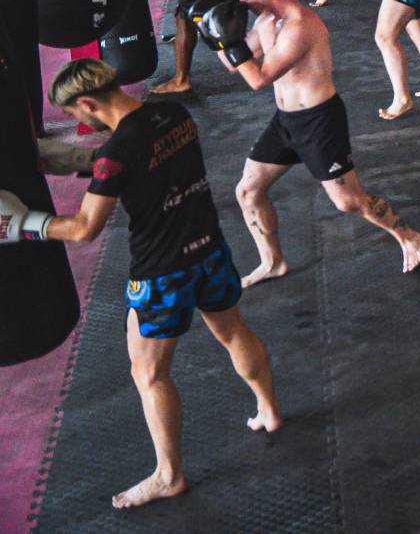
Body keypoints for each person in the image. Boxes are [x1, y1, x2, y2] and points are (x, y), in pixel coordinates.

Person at [1, 59, 279, 510]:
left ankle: (169, 476)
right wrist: (76, 160)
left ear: (87, 103)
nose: (77, 121)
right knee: (233, 332)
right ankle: (268, 409)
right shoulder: (174, 114)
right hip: (209, 249)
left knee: (149, 375)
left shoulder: (117, 153)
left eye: (74, 114)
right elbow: (139, 163)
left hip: (161, 273)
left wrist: (22, 224)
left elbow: (84, 228)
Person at [208, 0, 420, 282]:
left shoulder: (301, 26)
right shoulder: (266, 21)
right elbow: (234, 63)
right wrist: (213, 35)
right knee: (248, 191)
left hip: (319, 123)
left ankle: (407, 235)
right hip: (285, 121)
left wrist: (228, 41)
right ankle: (272, 262)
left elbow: (258, 79)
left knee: (348, 202)